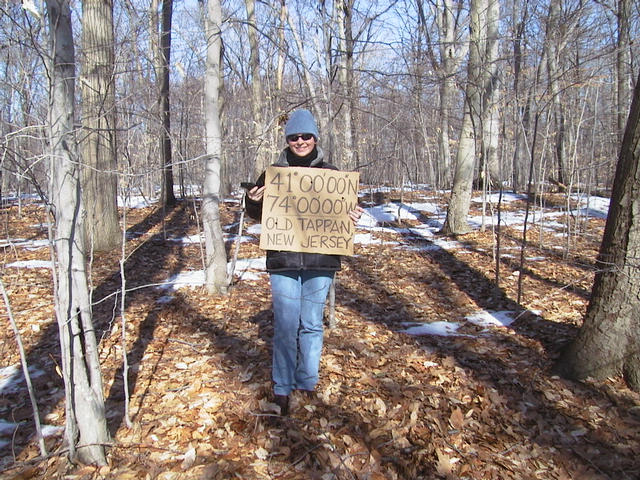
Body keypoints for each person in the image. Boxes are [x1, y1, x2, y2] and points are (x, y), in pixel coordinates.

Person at [245, 109, 363, 415]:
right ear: (287, 140)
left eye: (306, 136)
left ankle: (306, 384)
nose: (300, 141)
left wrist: (352, 215)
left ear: (315, 138)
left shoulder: (334, 175)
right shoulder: (273, 173)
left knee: (311, 324)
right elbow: (257, 215)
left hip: (320, 262)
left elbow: (346, 213)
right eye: (294, 137)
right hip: (283, 260)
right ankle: (282, 389)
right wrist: (253, 202)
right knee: (285, 325)